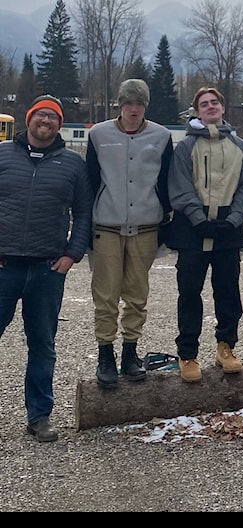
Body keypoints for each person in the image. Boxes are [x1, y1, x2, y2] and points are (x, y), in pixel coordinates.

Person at [0, 95, 93, 442]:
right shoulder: (3, 155)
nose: (45, 121)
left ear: (59, 124)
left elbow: (84, 212)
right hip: (4, 265)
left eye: (52, 117)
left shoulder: (72, 164)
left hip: (46, 270)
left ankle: (39, 416)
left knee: (42, 345)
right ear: (29, 120)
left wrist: (72, 255)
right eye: (40, 115)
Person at [86, 79, 173, 388]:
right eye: (127, 103)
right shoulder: (98, 135)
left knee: (137, 295)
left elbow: (166, 182)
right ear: (119, 105)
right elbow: (90, 181)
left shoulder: (161, 137)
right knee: (106, 295)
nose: (133, 109)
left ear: (145, 106)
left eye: (139, 103)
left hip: (145, 227)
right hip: (106, 227)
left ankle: (130, 353)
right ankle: (105, 356)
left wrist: (166, 221)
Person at [165, 86, 243, 383]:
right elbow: (179, 186)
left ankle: (225, 346)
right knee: (189, 292)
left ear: (223, 107)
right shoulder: (185, 147)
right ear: (197, 112)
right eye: (204, 104)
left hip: (228, 226)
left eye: (214, 102)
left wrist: (234, 218)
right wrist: (197, 218)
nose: (210, 106)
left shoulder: (240, 146)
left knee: (228, 291)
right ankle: (188, 353)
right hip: (192, 228)